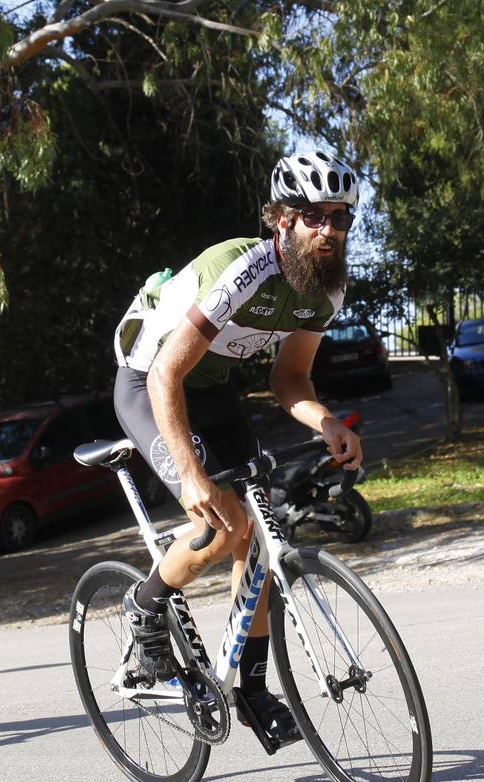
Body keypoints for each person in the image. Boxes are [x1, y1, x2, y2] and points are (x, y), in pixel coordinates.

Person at [110, 150, 363, 743]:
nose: (329, 230)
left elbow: (290, 379)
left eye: (340, 218)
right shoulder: (242, 270)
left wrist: (326, 422)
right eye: (314, 216)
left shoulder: (327, 288)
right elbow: (165, 375)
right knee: (222, 524)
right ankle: (144, 605)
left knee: (259, 535)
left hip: (211, 387)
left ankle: (250, 688)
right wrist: (192, 475)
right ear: (283, 219)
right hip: (149, 381)